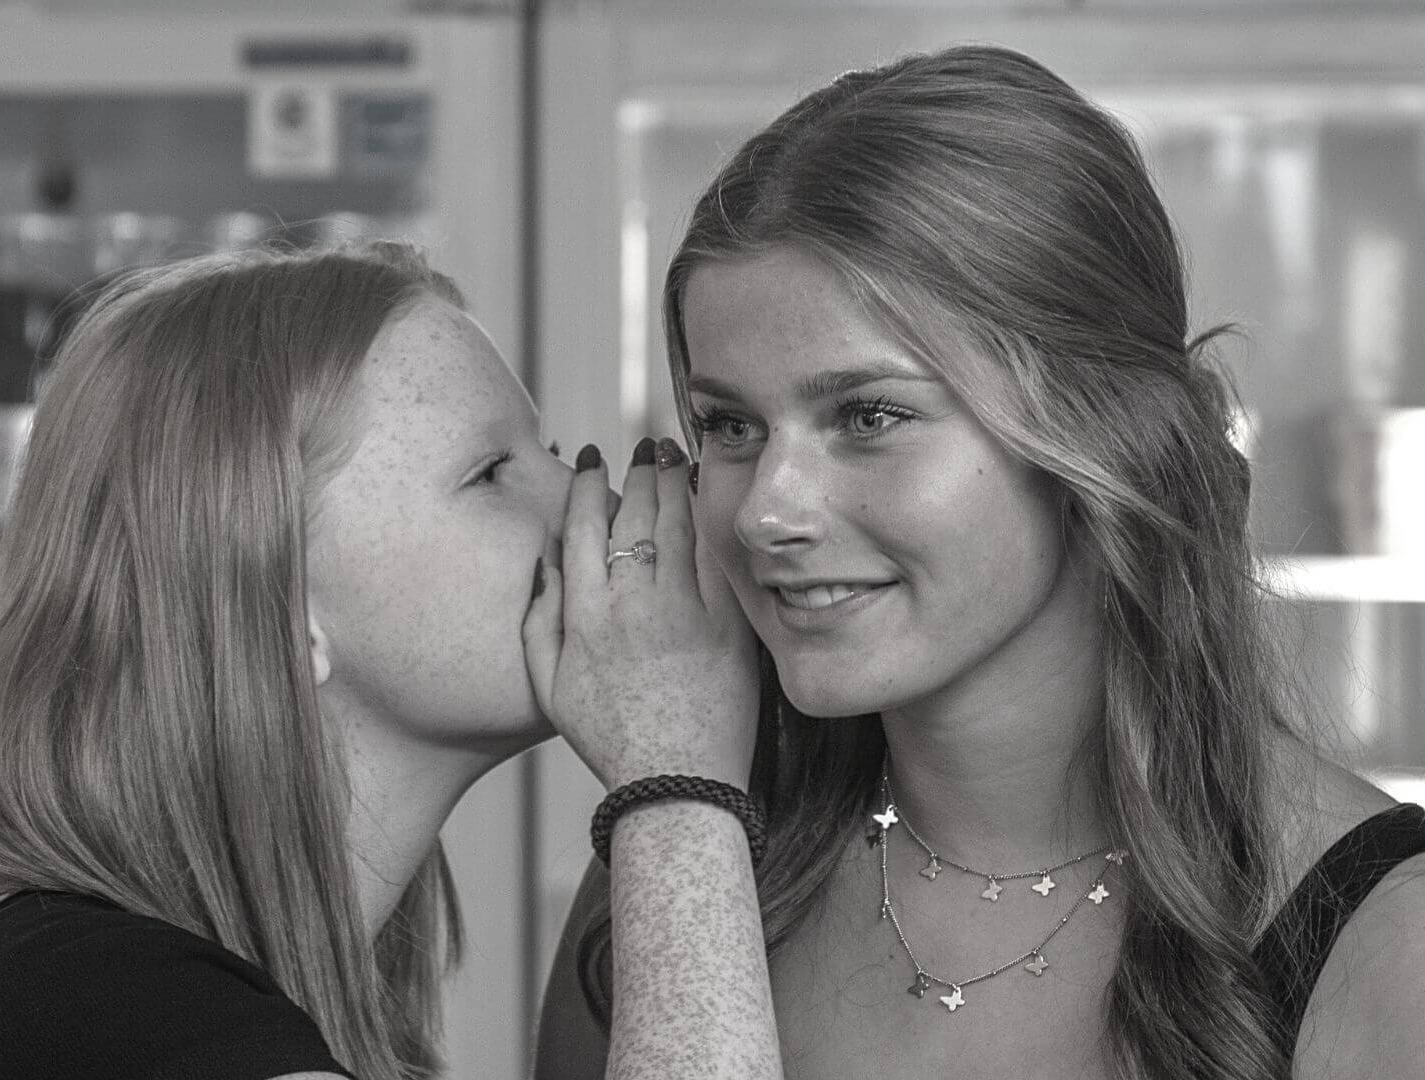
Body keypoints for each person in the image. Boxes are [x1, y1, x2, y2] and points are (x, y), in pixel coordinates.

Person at [535, 45, 1425, 1080]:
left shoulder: (1380, 938)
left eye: (868, 415)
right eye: (729, 426)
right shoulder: (688, 845)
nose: (768, 509)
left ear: (1100, 436)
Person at [0, 241, 782, 1080]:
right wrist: (677, 784)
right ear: (277, 611)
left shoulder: (86, 979)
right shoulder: (96, 1013)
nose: (581, 501)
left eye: (553, 451)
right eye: (490, 474)